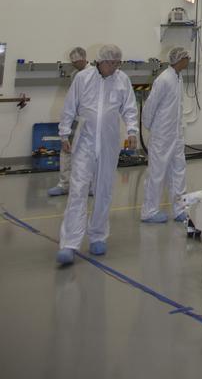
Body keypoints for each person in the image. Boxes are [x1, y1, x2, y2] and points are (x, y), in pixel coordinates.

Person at [55, 43, 138, 265]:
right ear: (101, 61)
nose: (116, 66)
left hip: (109, 143)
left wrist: (132, 131)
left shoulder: (122, 80)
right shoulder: (83, 79)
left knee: (103, 190)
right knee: (78, 190)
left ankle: (98, 236)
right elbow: (69, 106)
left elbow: (130, 108)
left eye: (118, 62)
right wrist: (64, 134)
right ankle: (69, 243)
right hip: (85, 142)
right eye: (112, 62)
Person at [140, 46, 190, 223]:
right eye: (186, 58)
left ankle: (180, 209)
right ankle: (149, 211)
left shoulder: (178, 78)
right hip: (162, 135)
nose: (188, 60)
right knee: (157, 173)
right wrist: (149, 126)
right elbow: (151, 105)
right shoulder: (164, 79)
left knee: (179, 170)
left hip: (175, 133)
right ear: (179, 60)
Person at [47, 47, 89, 197]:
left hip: (89, 122)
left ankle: (90, 186)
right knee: (66, 150)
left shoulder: (95, 74)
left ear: (84, 59)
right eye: (73, 62)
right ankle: (64, 184)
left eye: (77, 62)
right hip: (74, 120)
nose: (75, 65)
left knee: (89, 154)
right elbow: (71, 100)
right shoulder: (75, 74)